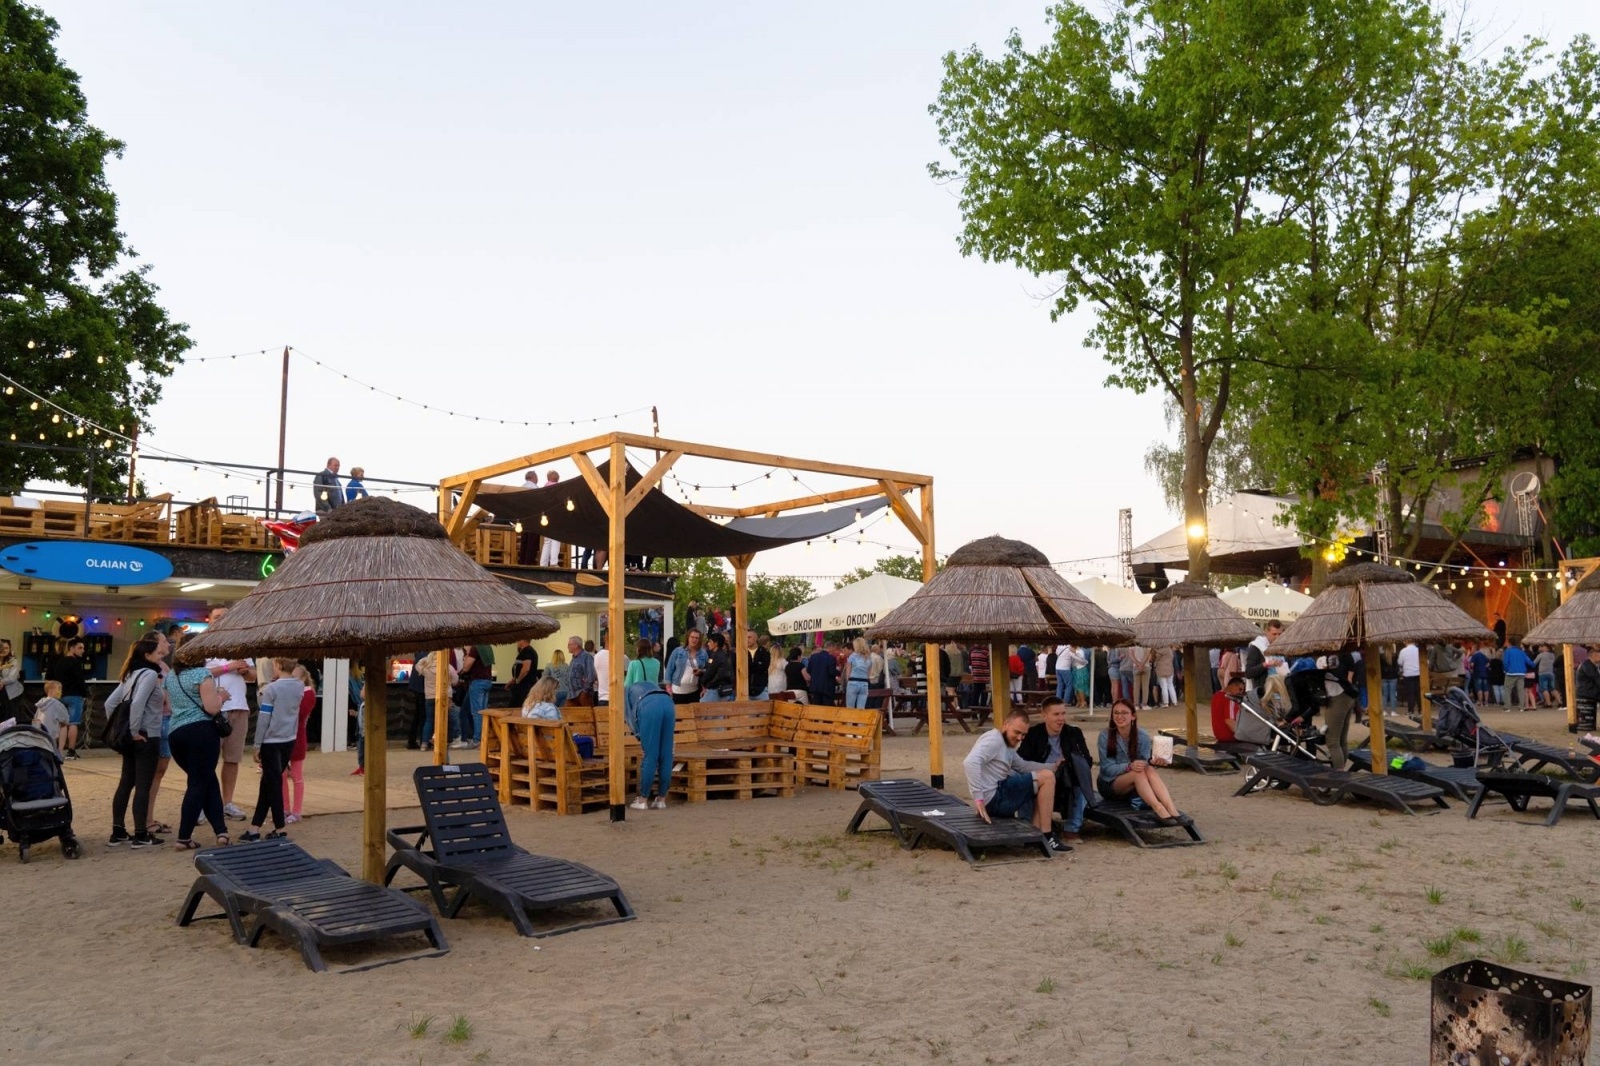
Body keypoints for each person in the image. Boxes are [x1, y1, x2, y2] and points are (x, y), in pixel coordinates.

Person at [962, 709, 1067, 851]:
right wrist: (978, 799)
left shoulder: (1007, 744)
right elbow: (970, 762)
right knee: (1047, 778)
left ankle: (1035, 836)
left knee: (1043, 778)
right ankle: (1047, 834)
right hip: (995, 799)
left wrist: (1053, 766)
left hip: (997, 795)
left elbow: (1023, 766)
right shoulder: (994, 740)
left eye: (1023, 734)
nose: (1020, 738)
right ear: (1005, 725)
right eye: (1017, 732)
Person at [106, 632, 169, 848]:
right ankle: (141, 833)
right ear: (148, 654)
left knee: (126, 782)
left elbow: (109, 703)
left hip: (132, 737)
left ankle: (118, 831)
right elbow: (138, 703)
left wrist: (121, 730)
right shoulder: (150, 675)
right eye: (157, 651)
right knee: (143, 785)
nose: (160, 654)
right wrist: (134, 730)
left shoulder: (131, 674)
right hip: (147, 735)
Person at [165, 655, 229, 850]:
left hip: (176, 732)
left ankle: (221, 831)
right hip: (201, 732)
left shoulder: (170, 677)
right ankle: (183, 837)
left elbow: (169, 706)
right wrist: (222, 698)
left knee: (207, 780)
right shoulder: (202, 674)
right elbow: (211, 708)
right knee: (198, 784)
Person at [239, 658, 303, 842]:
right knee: (268, 783)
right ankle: (254, 827)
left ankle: (279, 827)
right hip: (288, 738)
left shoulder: (272, 689)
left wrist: (257, 744)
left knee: (272, 784)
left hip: (271, 739)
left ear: (279, 666)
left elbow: (264, 718)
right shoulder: (298, 686)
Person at [204, 608, 257, 822]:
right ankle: (203, 803)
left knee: (233, 759)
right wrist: (229, 667)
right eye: (218, 617)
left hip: (239, 708)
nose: (223, 620)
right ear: (209, 620)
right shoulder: (203, 644)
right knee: (207, 760)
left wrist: (244, 670)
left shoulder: (241, 645)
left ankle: (227, 802)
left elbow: (253, 677)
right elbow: (199, 674)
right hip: (214, 710)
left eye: (226, 615)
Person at [1017, 697, 1092, 844]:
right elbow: (1021, 761)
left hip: (1066, 780)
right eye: (1056, 714)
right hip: (1042, 778)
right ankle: (1027, 826)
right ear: (1044, 715)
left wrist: (1070, 762)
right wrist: (1049, 766)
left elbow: (1087, 761)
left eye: (1063, 714)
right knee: (1025, 780)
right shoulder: (1034, 733)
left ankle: (1071, 830)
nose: (1061, 718)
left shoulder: (1073, 733)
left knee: (1082, 780)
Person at [1097, 700, 1181, 823]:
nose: (1119, 716)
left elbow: (1145, 762)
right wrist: (1128, 766)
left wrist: (1152, 762)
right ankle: (1158, 808)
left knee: (1148, 769)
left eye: (1124, 713)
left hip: (1136, 782)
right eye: (1116, 713)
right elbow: (1106, 768)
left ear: (1133, 716)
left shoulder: (1142, 735)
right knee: (1138, 772)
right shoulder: (1105, 735)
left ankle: (1171, 808)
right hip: (1109, 784)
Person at [626, 681, 675, 810]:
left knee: (650, 755)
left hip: (649, 706)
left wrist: (640, 737)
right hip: (668, 702)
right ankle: (661, 799)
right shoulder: (647, 684)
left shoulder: (625, 692)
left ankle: (642, 800)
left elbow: (630, 718)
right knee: (666, 755)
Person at [47, 637, 93, 759]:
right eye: (80, 648)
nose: (83, 650)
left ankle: (59, 750)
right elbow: (80, 681)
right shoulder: (76, 663)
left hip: (60, 695)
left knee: (62, 724)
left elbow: (51, 678)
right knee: (73, 723)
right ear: (71, 648)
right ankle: (71, 751)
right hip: (75, 695)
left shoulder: (59, 662)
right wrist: (85, 695)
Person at [285, 664, 315, 824]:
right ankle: (284, 808)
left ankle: (296, 811)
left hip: (297, 736)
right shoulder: (290, 691)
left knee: (297, 775)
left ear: (303, 678)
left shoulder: (308, 693)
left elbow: (300, 714)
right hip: (284, 735)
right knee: (282, 774)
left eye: (296, 677)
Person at [1319, 651, 1359, 771]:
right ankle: (1342, 770)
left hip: (1337, 695)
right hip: (1347, 695)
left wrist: (1325, 669)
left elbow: (1339, 674)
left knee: (1332, 740)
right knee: (1341, 739)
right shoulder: (1347, 654)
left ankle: (1339, 774)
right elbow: (1349, 676)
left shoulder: (1334, 656)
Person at [454, 643, 495, 748]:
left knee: (476, 713)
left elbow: (466, 667)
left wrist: (468, 653)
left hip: (477, 682)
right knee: (483, 712)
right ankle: (484, 739)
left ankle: (477, 740)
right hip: (487, 681)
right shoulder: (487, 647)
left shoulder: (475, 648)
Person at [418, 647, 459, 746]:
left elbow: (417, 665)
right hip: (445, 696)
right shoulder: (448, 667)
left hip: (430, 697)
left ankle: (424, 743)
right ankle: (445, 741)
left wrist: (426, 659)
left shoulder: (426, 667)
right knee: (445, 719)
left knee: (429, 720)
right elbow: (455, 681)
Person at [665, 630, 707, 705]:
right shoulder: (678, 651)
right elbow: (669, 669)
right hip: (677, 690)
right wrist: (668, 689)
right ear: (688, 638)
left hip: (694, 690)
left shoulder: (703, 654)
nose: (694, 640)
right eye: (692, 637)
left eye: (697, 638)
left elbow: (708, 670)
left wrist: (701, 671)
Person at [34, 681, 71, 754]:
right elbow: (66, 720)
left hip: (39, 734)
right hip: (52, 735)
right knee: (64, 725)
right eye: (59, 689)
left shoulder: (40, 704)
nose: (61, 691)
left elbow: (35, 718)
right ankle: (60, 751)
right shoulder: (58, 705)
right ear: (51, 690)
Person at [1210, 674, 1246, 743]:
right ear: (1233, 685)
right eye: (1240, 689)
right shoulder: (1230, 699)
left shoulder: (1216, 695)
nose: (1240, 693)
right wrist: (1244, 736)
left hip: (1219, 736)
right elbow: (1229, 721)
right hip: (1229, 738)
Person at [699, 632, 735, 701]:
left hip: (715, 690)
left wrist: (703, 682)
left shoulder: (716, 656)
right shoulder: (721, 655)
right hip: (722, 690)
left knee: (701, 708)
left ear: (715, 644)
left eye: (710, 642)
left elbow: (710, 672)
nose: (708, 644)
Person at [565, 636, 598, 706]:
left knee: (586, 715)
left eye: (569, 645)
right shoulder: (574, 659)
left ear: (576, 645)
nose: (567, 646)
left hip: (582, 694)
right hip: (571, 694)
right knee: (568, 715)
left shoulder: (586, 657)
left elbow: (591, 676)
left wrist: (585, 691)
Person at [805, 640, 840, 707]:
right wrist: (838, 671)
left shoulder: (813, 657)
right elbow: (831, 672)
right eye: (833, 649)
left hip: (815, 687)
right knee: (826, 710)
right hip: (826, 688)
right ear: (831, 647)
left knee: (817, 708)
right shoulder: (831, 658)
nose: (833, 651)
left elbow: (808, 670)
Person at [507, 639, 539, 707]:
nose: (517, 642)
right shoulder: (525, 651)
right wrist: (513, 680)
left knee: (516, 707)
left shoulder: (528, 651)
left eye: (518, 640)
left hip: (524, 687)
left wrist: (518, 681)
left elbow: (526, 669)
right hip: (522, 685)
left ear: (523, 640)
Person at [1500, 640, 1530, 712]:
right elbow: (1528, 661)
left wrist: (1505, 670)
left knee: (1507, 689)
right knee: (1520, 690)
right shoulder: (1521, 652)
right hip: (1521, 673)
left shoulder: (1508, 651)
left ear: (1509, 643)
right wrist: (1533, 665)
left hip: (1511, 673)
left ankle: (1507, 706)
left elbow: (1505, 662)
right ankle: (1521, 707)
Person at [844, 637, 872, 709]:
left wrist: (848, 682)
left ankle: (850, 720)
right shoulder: (868, 658)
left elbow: (848, 672)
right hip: (864, 684)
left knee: (850, 709)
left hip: (853, 682)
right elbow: (868, 674)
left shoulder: (852, 656)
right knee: (861, 709)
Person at [1397, 639, 1421, 717]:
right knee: (1419, 692)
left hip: (1408, 674)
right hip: (1418, 673)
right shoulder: (1418, 650)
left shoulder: (1403, 651)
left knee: (1410, 693)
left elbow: (1400, 662)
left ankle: (1411, 710)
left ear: (1406, 642)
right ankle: (1421, 709)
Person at [0, 639, 22, 717]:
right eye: (2, 647)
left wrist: (1, 682)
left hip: (11, 694)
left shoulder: (13, 661)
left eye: (7, 648)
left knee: (9, 717)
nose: (4, 650)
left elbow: (12, 678)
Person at [747, 631, 771, 700]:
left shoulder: (764, 652)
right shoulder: (743, 652)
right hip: (745, 690)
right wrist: (757, 663)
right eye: (745, 638)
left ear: (756, 638)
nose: (747, 640)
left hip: (761, 688)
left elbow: (764, 667)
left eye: (749, 637)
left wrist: (750, 664)